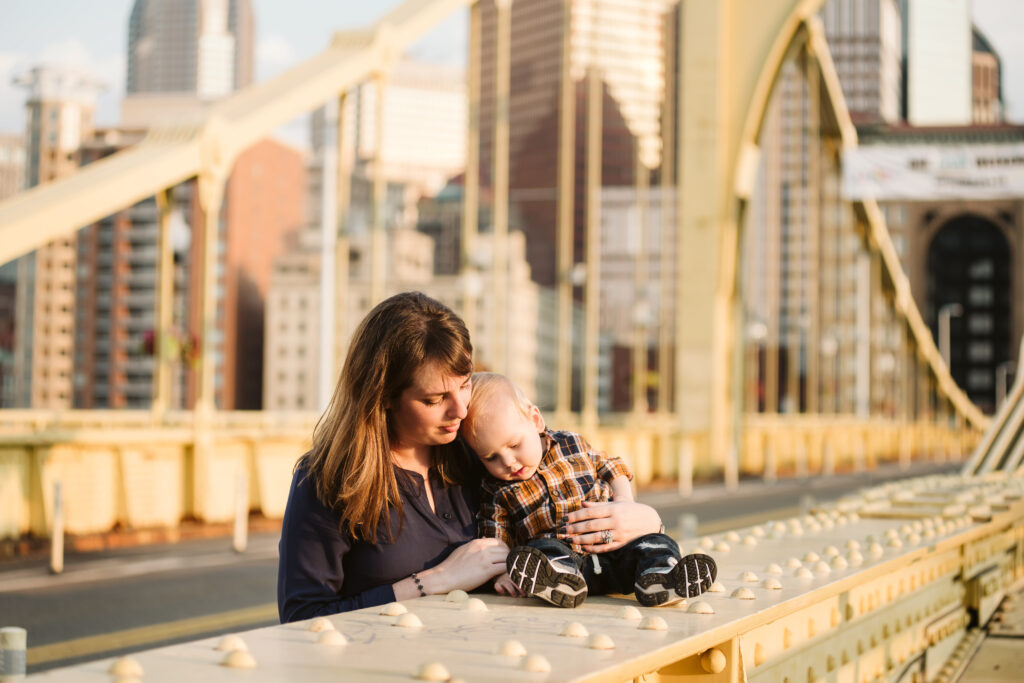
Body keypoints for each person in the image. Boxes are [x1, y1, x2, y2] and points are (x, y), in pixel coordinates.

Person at [277, 291, 665, 622]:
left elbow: (568, 508)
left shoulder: (479, 454)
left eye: (464, 386)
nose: (461, 410)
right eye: (434, 399)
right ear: (383, 399)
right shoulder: (327, 479)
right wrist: (435, 581)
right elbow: (302, 619)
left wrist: (645, 519)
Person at [463, 372, 717, 608]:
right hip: (566, 558)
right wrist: (502, 572)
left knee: (654, 543)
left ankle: (661, 578)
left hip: (617, 550)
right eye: (491, 457)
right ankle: (558, 581)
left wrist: (625, 501)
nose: (507, 461)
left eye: (514, 444)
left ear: (536, 420)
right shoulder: (495, 489)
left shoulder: (570, 443)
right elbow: (495, 539)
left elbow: (611, 466)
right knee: (541, 548)